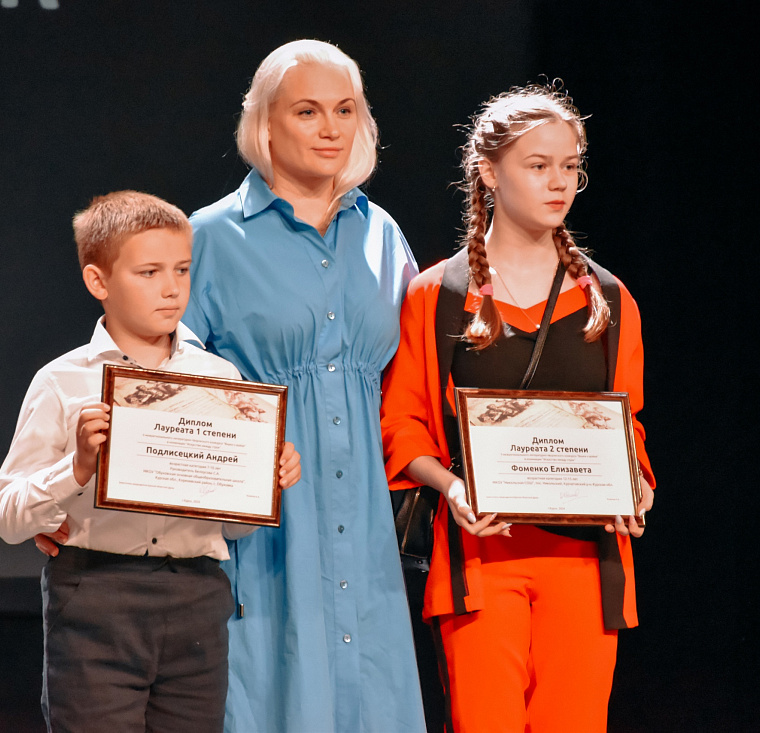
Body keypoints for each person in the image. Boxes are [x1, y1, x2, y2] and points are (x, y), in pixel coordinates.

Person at [380, 84, 656, 732]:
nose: (559, 183)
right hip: (478, 561)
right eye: (538, 165)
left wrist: (638, 486)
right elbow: (403, 423)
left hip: (587, 565)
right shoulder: (438, 295)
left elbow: (629, 424)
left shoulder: (610, 299)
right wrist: (451, 488)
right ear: (488, 172)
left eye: (570, 167)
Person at [183, 40, 425, 732]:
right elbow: (164, 384)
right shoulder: (210, 237)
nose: (330, 128)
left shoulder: (381, 233)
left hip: (368, 527)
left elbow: (411, 383)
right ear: (264, 122)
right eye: (307, 111)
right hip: (265, 529)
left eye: (345, 110)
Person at [0, 190, 301, 732]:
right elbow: (8, 518)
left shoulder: (219, 379)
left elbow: (233, 528)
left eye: (182, 269)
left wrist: (265, 483)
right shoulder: (63, 380)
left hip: (197, 598)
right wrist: (77, 468)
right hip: (97, 596)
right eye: (149, 272)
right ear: (99, 281)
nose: (171, 288)